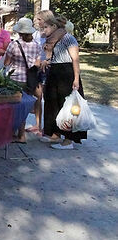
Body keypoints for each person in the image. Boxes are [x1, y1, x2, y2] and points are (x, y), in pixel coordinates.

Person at [38, 11, 86, 149]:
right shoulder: (52, 41)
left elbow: (75, 59)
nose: (43, 31)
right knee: (52, 103)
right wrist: (47, 61)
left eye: (45, 28)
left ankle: (68, 140)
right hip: (54, 73)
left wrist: (76, 78)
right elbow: (53, 56)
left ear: (53, 26)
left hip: (67, 74)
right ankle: (55, 134)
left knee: (68, 106)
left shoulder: (68, 38)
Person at [3, 17, 41, 143]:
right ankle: (21, 135)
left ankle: (12, 133)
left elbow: (7, 62)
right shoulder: (36, 45)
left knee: (14, 108)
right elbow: (38, 63)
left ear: (19, 32)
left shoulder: (14, 44)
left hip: (15, 79)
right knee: (24, 107)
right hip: (30, 80)